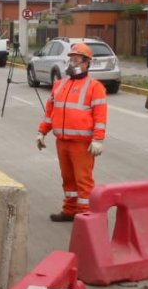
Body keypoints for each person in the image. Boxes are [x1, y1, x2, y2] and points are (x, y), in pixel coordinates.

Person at [37, 42, 108, 222]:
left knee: (83, 181)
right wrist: (42, 132)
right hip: (62, 141)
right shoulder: (60, 85)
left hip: (81, 144)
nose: (72, 63)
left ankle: (85, 215)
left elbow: (100, 116)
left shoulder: (95, 87)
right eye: (71, 59)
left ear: (86, 63)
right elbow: (50, 112)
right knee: (68, 179)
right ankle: (70, 210)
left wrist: (98, 139)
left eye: (76, 59)